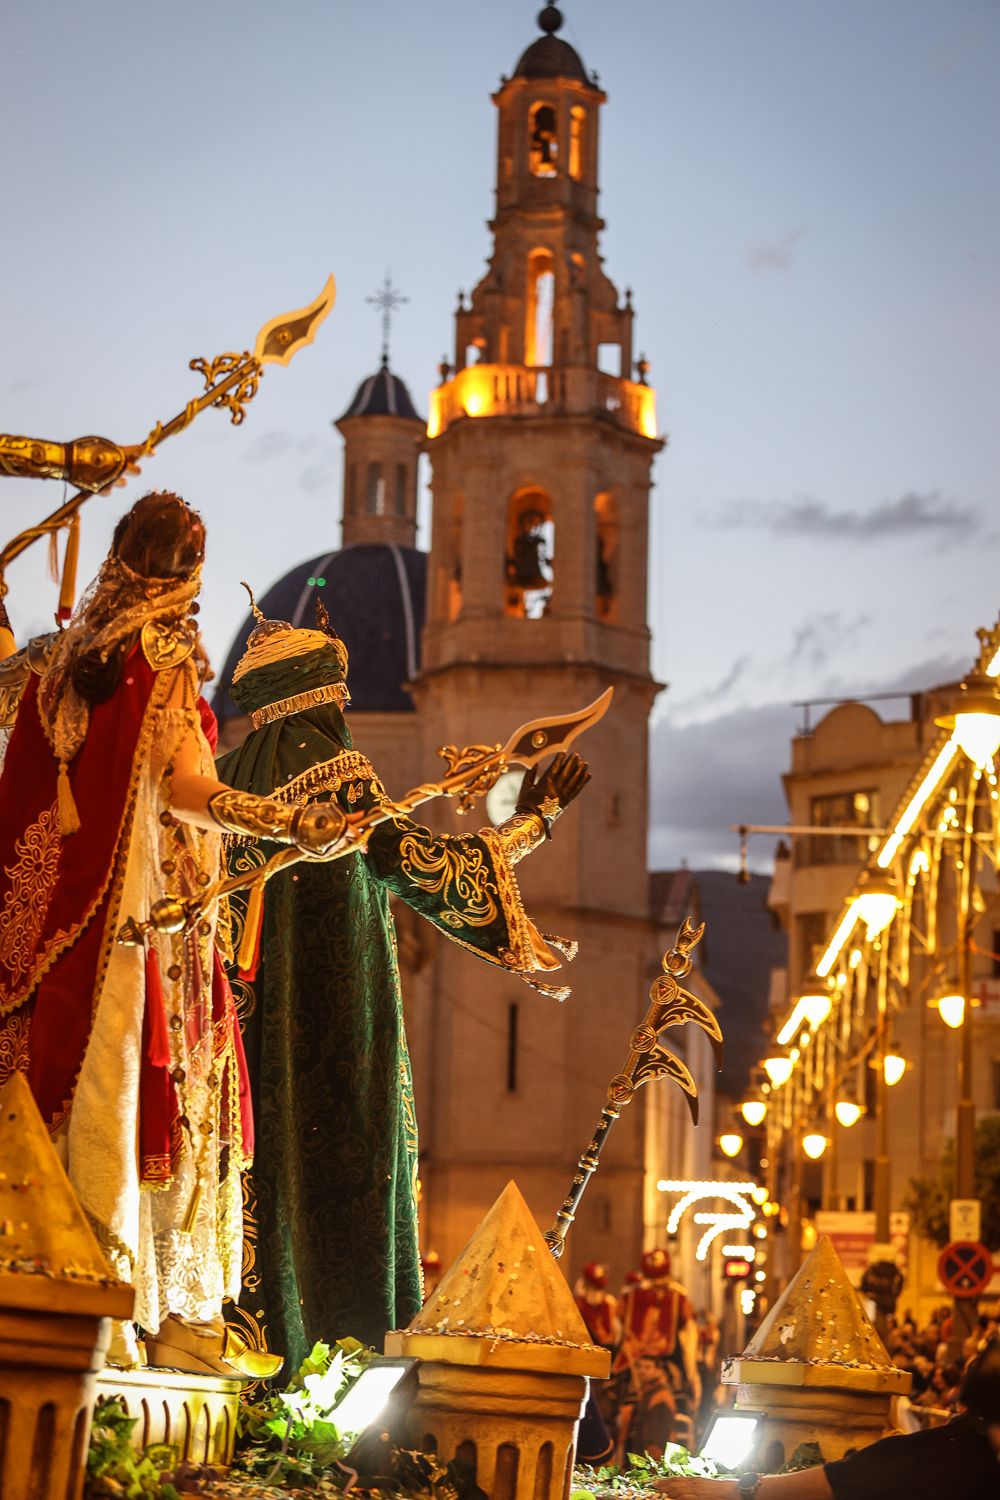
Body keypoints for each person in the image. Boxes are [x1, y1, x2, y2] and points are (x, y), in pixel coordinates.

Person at [0, 492, 345, 1374]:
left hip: (40, 923)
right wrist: (279, 821)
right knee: (152, 1102)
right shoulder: (162, 657)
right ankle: (126, 1317)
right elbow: (184, 786)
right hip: (138, 922)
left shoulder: (55, 656)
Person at [215, 596, 590, 1368]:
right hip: (333, 1046)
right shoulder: (340, 774)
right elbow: (430, 870)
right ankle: (326, 1373)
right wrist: (537, 818)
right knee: (333, 1194)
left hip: (234, 1051)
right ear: (324, 701)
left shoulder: (223, 788)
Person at [654, 1340, 1000, 1499]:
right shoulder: (967, 1445)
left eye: (989, 1421)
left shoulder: (967, 1454)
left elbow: (865, 1478)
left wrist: (741, 1490)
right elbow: (874, 1470)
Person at [617, 1354, 677, 1463]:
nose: (642, 1371)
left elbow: (656, 1436)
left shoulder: (660, 1397)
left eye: (648, 1367)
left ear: (658, 1371)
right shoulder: (647, 1392)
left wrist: (652, 1462)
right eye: (639, 1367)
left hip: (650, 1459)